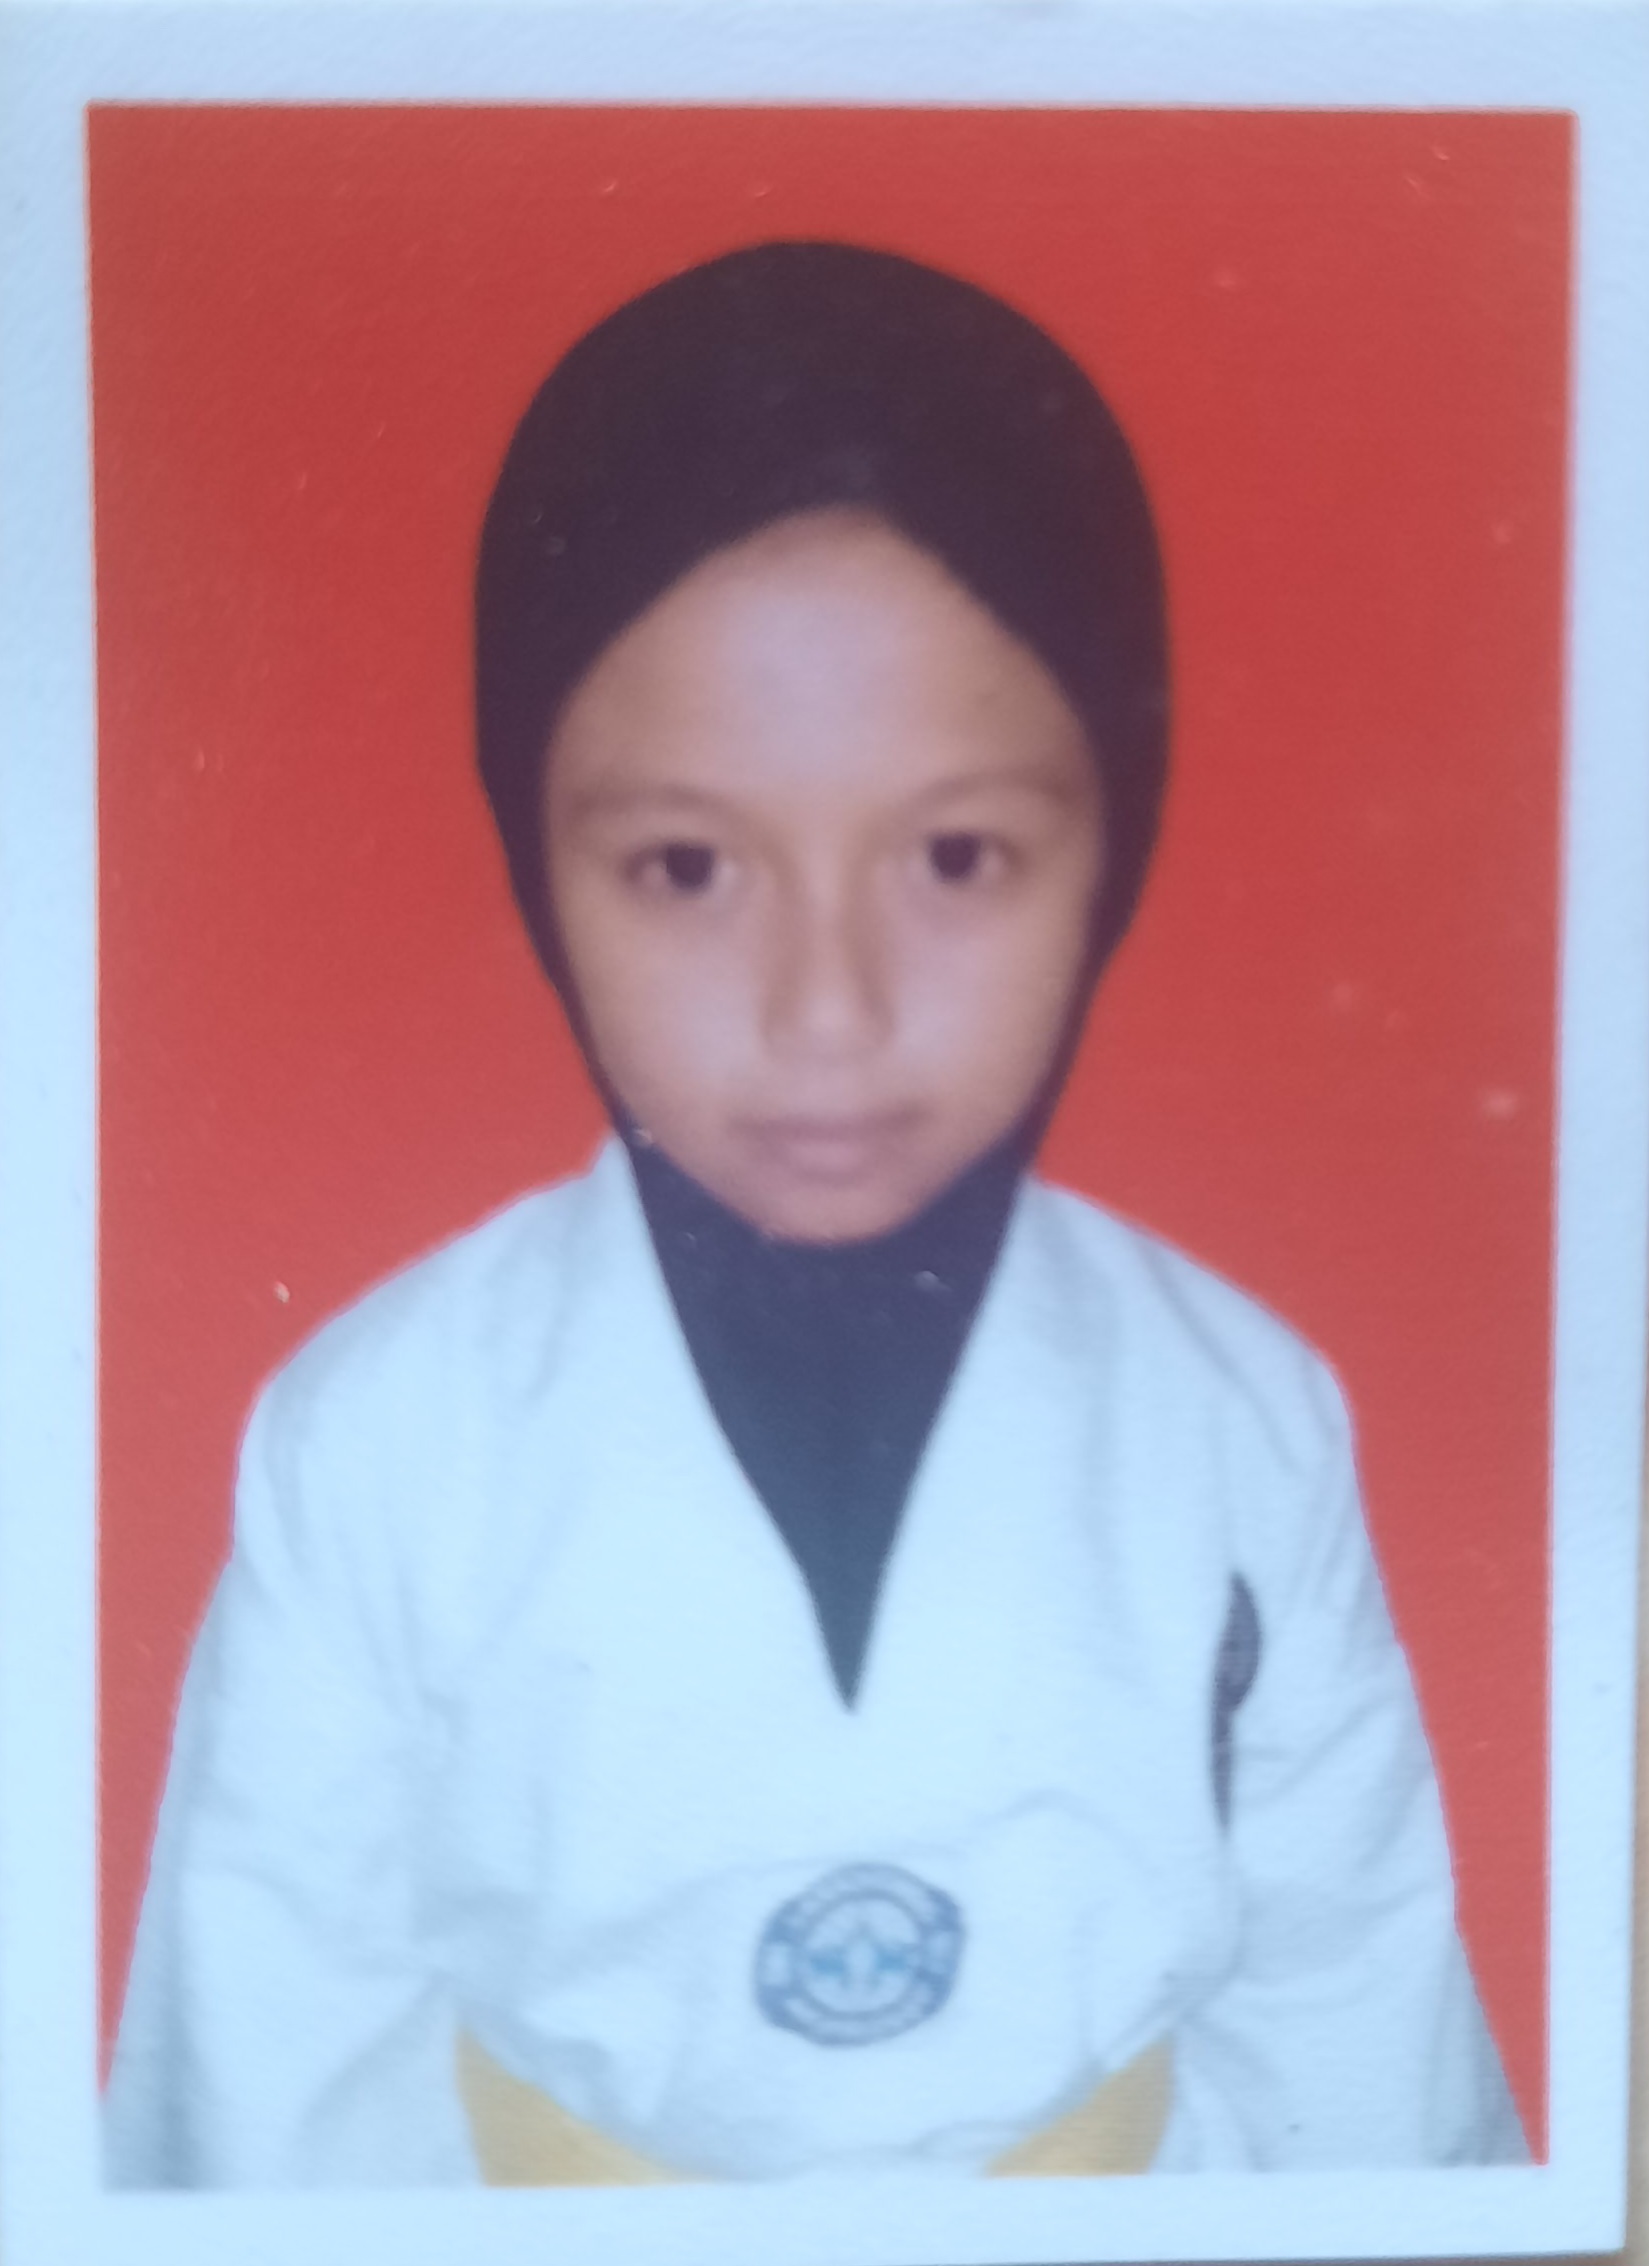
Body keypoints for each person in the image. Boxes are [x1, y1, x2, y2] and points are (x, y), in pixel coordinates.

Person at [105, 241, 1525, 2187]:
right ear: (535, 858)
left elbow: (1352, 2007)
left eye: (956, 854)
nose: (828, 1010)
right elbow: (275, 2061)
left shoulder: (1241, 1412)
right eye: (689, 867)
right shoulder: (376, 1437)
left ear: (1116, 838)